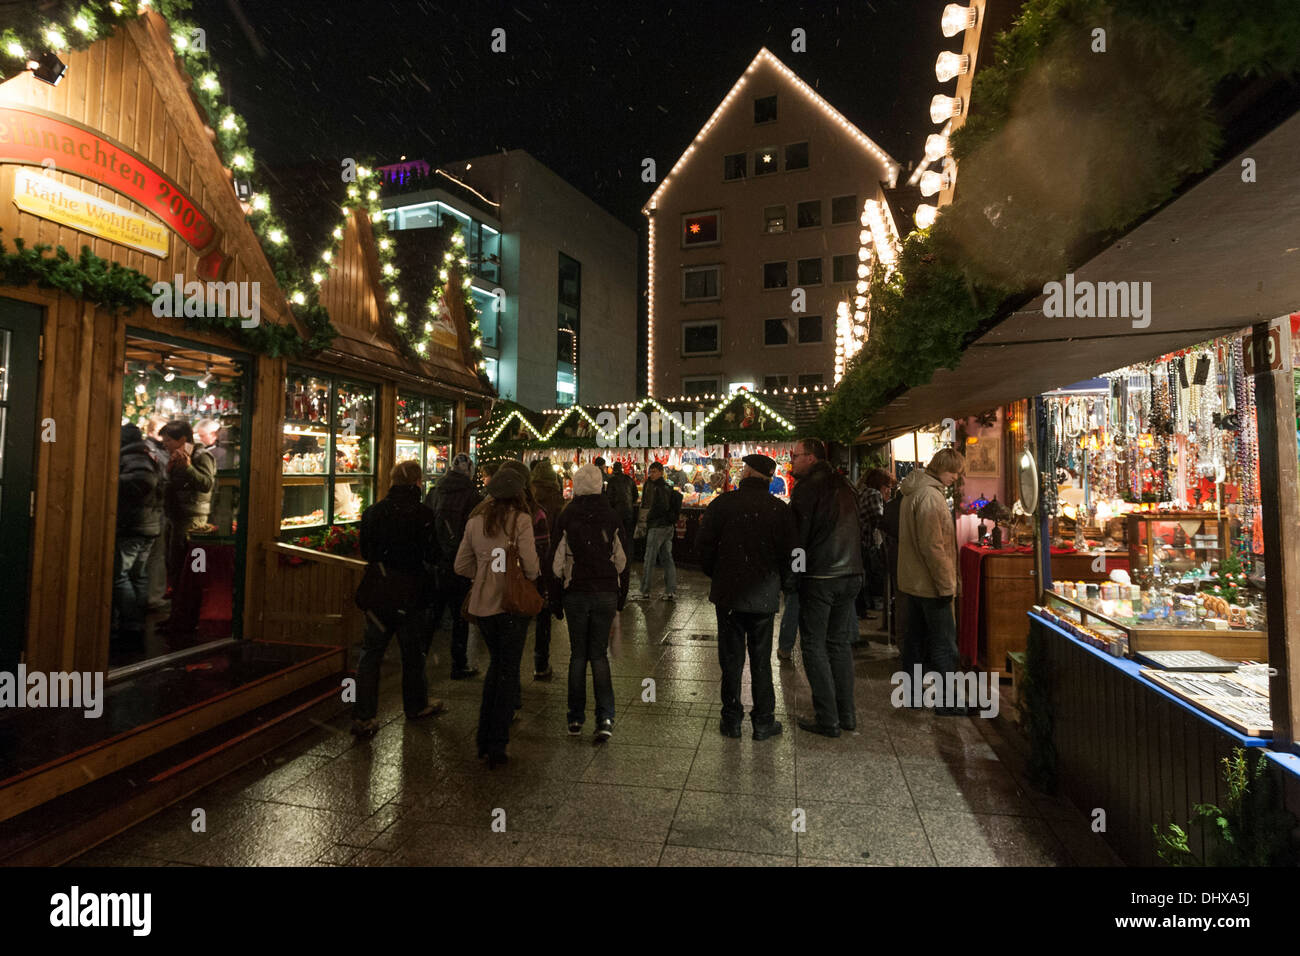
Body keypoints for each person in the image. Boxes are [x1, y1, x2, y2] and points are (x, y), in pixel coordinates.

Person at [696, 454, 796, 740]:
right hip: (763, 595)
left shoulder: (723, 504)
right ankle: (764, 721)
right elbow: (793, 554)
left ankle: (731, 720)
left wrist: (717, 574)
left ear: (749, 473)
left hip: (729, 594)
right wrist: (783, 583)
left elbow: (702, 546)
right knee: (761, 659)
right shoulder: (780, 509)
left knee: (731, 658)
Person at [352, 460, 446, 736]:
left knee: (370, 654)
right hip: (411, 594)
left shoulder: (373, 513)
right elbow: (433, 554)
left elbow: (367, 552)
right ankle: (416, 706)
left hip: (379, 593)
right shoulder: (423, 514)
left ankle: (363, 715)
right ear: (417, 483)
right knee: (412, 654)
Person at [455, 465, 540, 768]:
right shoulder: (521, 520)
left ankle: (484, 736)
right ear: (519, 493)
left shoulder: (475, 521)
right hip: (511, 606)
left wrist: (484, 573)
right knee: (507, 671)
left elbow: (460, 565)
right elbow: (531, 567)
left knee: (496, 668)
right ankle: (496, 742)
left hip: (482, 607)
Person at [549, 463, 629, 741]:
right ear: (600, 485)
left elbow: (556, 563)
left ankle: (575, 717)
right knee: (598, 655)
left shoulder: (567, 515)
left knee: (577, 656)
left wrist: (556, 599)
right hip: (606, 591)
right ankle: (605, 716)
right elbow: (622, 560)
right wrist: (621, 596)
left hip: (577, 592)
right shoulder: (611, 515)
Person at [789, 438, 863, 738]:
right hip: (852, 573)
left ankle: (827, 718)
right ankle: (847, 715)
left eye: (795, 456)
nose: (791, 461)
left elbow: (798, 538)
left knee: (814, 646)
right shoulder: (846, 486)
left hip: (821, 576)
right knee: (839, 644)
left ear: (811, 458)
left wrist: (793, 578)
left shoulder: (807, 489)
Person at [897, 448, 965, 715]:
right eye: (953, 472)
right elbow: (933, 546)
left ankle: (912, 695)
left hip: (912, 582)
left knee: (914, 642)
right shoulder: (930, 497)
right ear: (941, 468)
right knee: (943, 644)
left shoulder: (913, 492)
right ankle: (947, 701)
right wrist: (946, 585)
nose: (955, 478)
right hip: (931, 584)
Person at [425, 452, 482, 679]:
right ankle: (458, 664)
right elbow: (475, 532)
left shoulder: (435, 492)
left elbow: (427, 525)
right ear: (469, 471)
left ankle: (419, 658)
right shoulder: (472, 495)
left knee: (433, 614)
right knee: (461, 616)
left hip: (437, 563)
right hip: (460, 563)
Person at [114, 424, 164, 640]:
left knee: (120, 575)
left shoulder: (135, 457)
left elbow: (142, 481)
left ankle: (131, 623)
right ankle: (137, 623)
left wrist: (112, 480)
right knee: (138, 575)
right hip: (148, 524)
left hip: (134, 525)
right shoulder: (147, 455)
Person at [158, 420, 216, 591]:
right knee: (174, 563)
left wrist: (189, 468)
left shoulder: (201, 455)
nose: (165, 445)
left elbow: (207, 484)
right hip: (175, 517)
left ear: (182, 439)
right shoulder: (177, 457)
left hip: (193, 520)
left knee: (189, 566)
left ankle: (187, 610)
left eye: (168, 440)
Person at [528, 459, 565, 679]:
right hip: (549, 565)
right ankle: (541, 664)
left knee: (522, 611)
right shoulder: (558, 503)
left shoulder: (528, 502)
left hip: (528, 562)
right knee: (544, 614)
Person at [634, 461, 681, 600]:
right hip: (667, 526)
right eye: (650, 471)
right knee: (667, 558)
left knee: (649, 558)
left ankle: (645, 591)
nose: (651, 474)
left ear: (661, 472)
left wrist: (648, 518)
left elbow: (659, 507)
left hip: (658, 526)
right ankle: (670, 590)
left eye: (654, 471)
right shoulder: (664, 486)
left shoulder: (657, 487)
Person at [857, 468, 895, 615]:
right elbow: (880, 519)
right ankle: (868, 607)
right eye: (888, 487)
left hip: (858, 541)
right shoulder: (874, 494)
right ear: (880, 485)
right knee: (872, 574)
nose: (889, 491)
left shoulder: (863, 492)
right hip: (864, 541)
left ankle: (863, 608)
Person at [143, 416, 171, 612]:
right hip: (154, 511)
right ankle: (152, 597)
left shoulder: (158, 450)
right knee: (154, 555)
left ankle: (152, 596)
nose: (165, 435)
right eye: (162, 430)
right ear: (152, 431)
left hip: (156, 511)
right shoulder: (151, 451)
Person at [604, 460, 638, 543]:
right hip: (629, 511)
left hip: (616, 512)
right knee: (628, 535)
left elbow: (609, 497)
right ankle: (628, 552)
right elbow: (635, 495)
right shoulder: (629, 479)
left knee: (617, 536)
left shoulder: (611, 481)